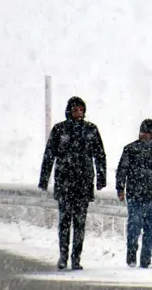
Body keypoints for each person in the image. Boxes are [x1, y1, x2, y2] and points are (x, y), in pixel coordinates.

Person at [39, 96, 107, 270]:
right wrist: (44, 179)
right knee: (64, 222)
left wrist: (101, 178)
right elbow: (49, 155)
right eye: (76, 110)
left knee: (80, 223)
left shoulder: (90, 129)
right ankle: (63, 256)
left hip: (83, 184)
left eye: (81, 110)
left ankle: (76, 258)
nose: (79, 113)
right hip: (64, 183)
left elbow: (100, 155)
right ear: (69, 111)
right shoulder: (60, 130)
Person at [115, 119, 152, 268]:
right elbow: (122, 170)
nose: (144, 135)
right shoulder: (130, 149)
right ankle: (131, 254)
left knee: (150, 229)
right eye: (143, 131)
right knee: (134, 226)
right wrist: (120, 188)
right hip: (135, 195)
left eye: (148, 132)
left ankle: (145, 259)